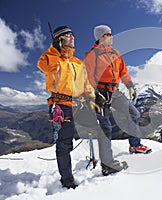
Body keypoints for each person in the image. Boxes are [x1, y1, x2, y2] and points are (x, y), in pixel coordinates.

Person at [37, 25, 127, 189]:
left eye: (73, 35)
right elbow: (43, 65)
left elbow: (85, 84)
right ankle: (67, 179)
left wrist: (91, 98)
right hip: (62, 106)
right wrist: (55, 49)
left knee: (104, 127)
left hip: (79, 104)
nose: (72, 37)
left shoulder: (77, 62)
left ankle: (107, 164)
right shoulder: (52, 59)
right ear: (59, 39)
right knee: (65, 143)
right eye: (68, 35)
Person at [84, 24, 152, 154]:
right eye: (108, 34)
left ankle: (135, 146)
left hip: (114, 92)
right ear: (100, 37)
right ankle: (107, 159)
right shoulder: (92, 55)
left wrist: (130, 86)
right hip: (100, 93)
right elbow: (87, 76)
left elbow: (123, 72)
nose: (111, 36)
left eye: (111, 34)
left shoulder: (116, 54)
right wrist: (95, 93)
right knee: (105, 125)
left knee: (134, 114)